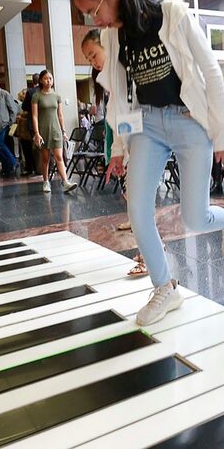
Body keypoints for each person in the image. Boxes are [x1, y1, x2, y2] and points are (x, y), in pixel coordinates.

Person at [72, 0, 224, 326]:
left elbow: (211, 72)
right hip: (147, 125)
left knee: (194, 216)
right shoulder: (113, 36)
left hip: (188, 122)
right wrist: (119, 148)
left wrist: (222, 133)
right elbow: (119, 94)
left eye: (93, 10)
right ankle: (165, 286)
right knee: (137, 211)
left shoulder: (173, 15)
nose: (94, 21)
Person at [81, 29, 148, 277]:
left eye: (93, 54)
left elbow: (131, 116)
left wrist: (124, 152)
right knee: (134, 202)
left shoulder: (125, 73)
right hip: (124, 141)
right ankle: (148, 255)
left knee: (139, 205)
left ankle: (148, 256)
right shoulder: (110, 79)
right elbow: (118, 120)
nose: (93, 61)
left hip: (137, 143)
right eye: (88, 59)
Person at [31, 70, 78, 194]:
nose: (48, 81)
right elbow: (34, 116)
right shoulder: (37, 96)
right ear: (41, 80)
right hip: (43, 129)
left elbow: (60, 115)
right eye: (46, 78)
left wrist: (63, 131)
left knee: (59, 157)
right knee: (45, 158)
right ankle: (46, 181)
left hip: (56, 129)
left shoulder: (57, 96)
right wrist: (36, 133)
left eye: (50, 78)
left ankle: (65, 182)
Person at [19, 74, 41, 176]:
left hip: (33, 122)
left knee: (34, 147)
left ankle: (36, 169)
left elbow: (24, 107)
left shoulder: (31, 92)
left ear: (33, 81)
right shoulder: (49, 91)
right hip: (46, 122)